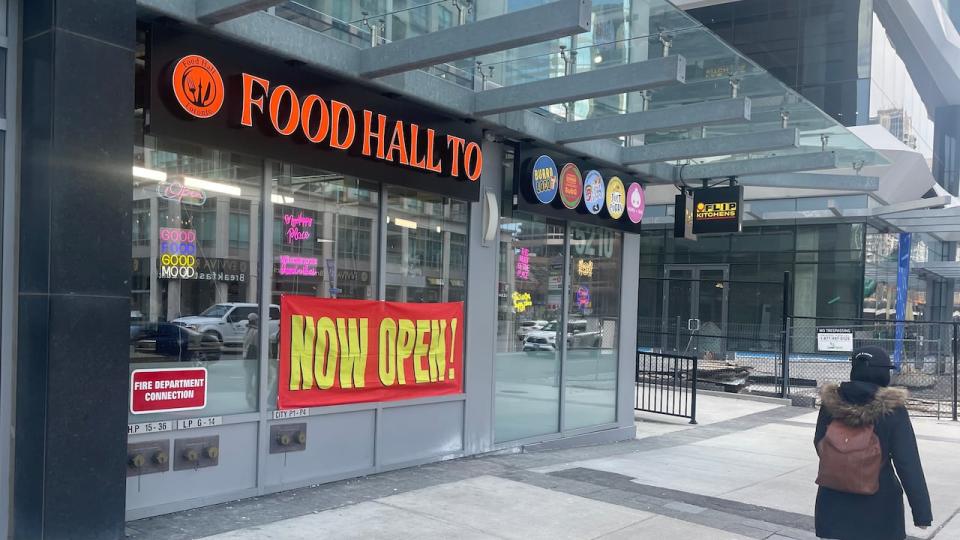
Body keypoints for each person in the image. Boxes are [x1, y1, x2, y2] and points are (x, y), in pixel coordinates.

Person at [814, 346, 932, 540]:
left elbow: (819, 442)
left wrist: (845, 461)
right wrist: (922, 513)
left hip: (832, 499)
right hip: (879, 504)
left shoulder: (830, 403)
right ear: (882, 373)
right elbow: (908, 463)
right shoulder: (893, 409)